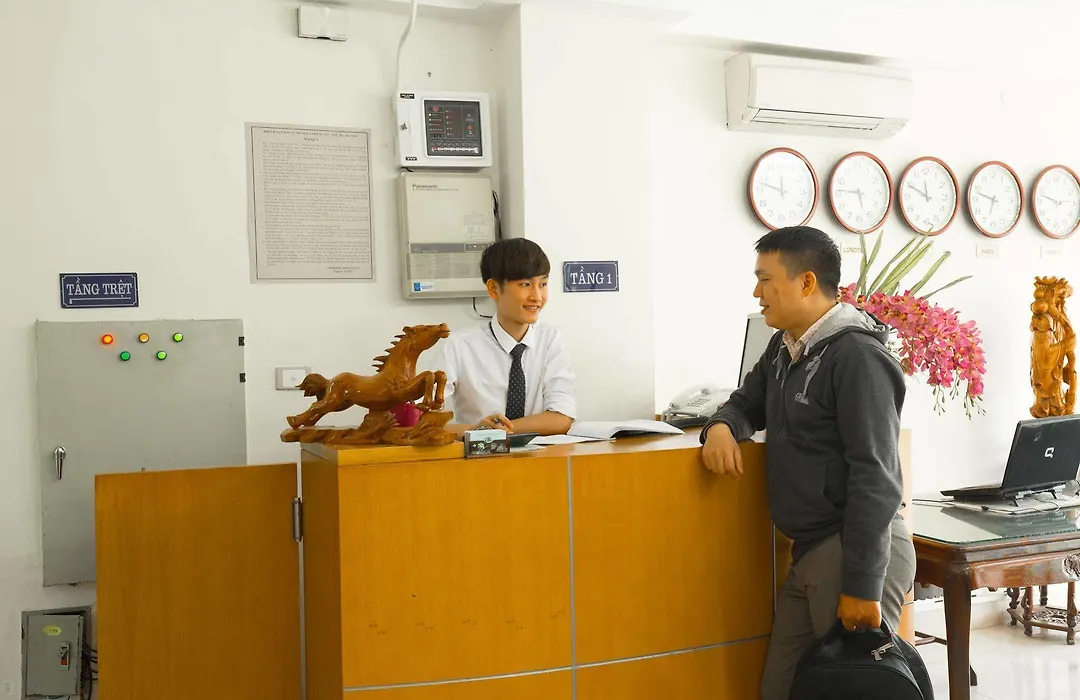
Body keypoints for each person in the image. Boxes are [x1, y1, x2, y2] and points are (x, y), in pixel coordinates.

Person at [699, 226, 916, 700]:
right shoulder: (784, 347)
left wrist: (862, 584)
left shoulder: (857, 356)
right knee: (780, 688)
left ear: (806, 282)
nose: (756, 293)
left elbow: (877, 477)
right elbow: (745, 403)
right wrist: (720, 428)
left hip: (851, 552)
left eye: (765, 280)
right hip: (810, 554)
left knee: (852, 691)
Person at [434, 237, 577, 436]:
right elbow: (422, 421)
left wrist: (498, 430)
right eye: (525, 284)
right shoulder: (458, 346)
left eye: (543, 284)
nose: (537, 296)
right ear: (493, 289)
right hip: (479, 453)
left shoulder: (550, 340)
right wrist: (477, 431)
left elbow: (562, 417)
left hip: (541, 453)